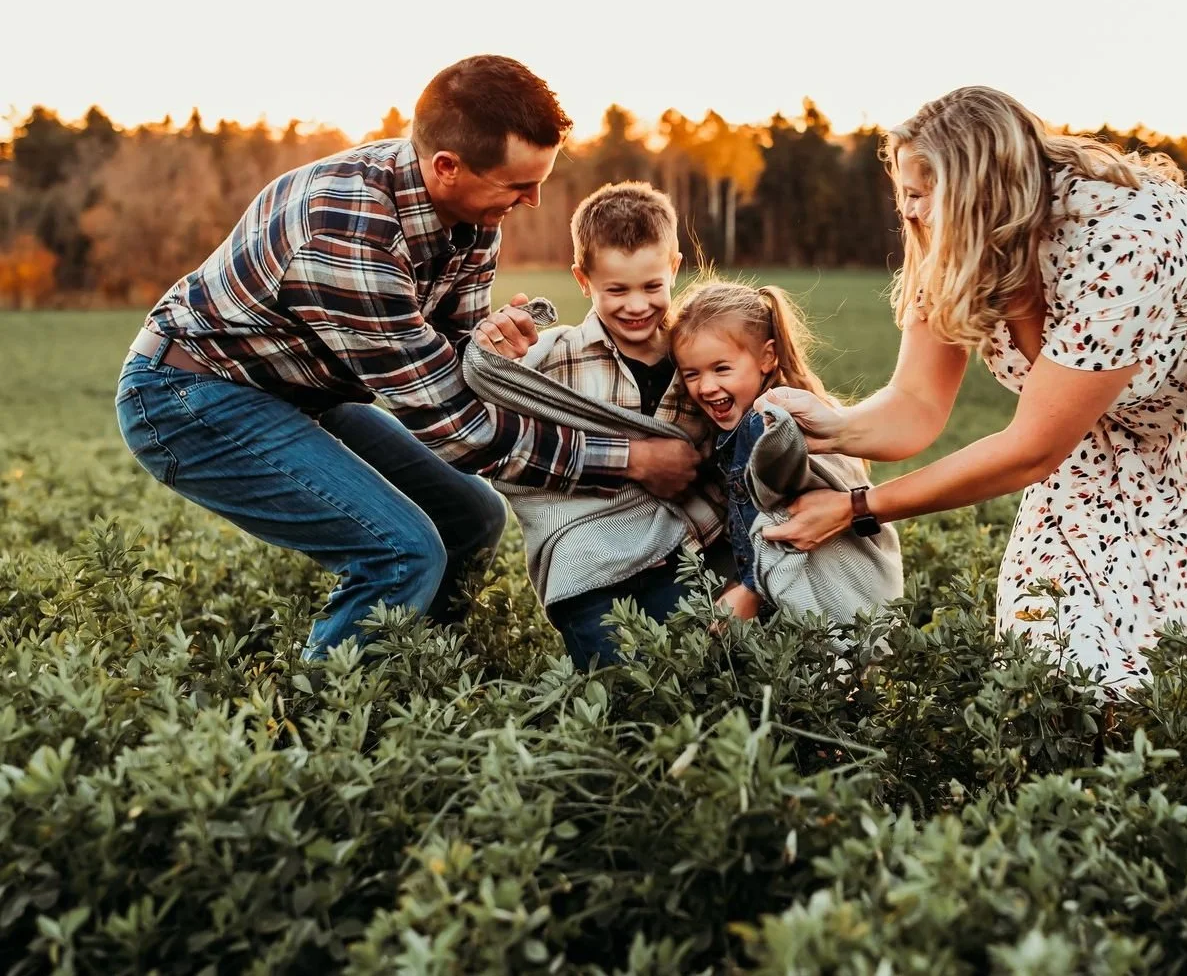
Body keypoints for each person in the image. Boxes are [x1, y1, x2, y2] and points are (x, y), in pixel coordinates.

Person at [759, 85, 1187, 708]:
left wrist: (859, 506)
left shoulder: (1120, 238)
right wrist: (827, 428)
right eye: (903, 193)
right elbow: (913, 405)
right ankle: (1111, 739)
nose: (907, 213)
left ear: (976, 197)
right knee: (1051, 600)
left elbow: (1032, 452)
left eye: (919, 195)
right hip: (1104, 412)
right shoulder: (952, 252)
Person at [114, 56, 698, 659]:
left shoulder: (471, 212)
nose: (533, 199)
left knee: (471, 517)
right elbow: (460, 432)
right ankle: (325, 718)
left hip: (293, 392)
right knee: (401, 550)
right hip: (189, 396)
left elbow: (463, 362)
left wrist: (493, 351)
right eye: (519, 184)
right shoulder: (347, 237)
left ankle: (424, 671)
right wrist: (629, 460)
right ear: (447, 166)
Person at [476, 182, 732, 669]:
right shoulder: (552, 359)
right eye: (616, 289)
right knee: (626, 696)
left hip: (680, 559)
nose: (636, 305)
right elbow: (498, 436)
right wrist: (496, 355)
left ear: (674, 268)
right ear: (582, 279)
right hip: (587, 570)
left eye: (651, 286)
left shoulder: (697, 357)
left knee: (704, 678)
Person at [668, 279, 901, 627]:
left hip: (816, 600)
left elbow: (777, 520)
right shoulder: (796, 406)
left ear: (767, 357)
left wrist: (748, 589)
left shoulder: (764, 428)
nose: (706, 386)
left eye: (721, 368)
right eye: (692, 374)